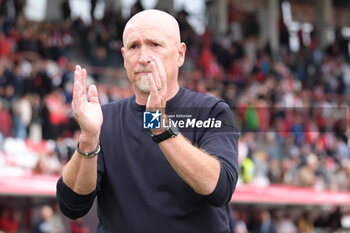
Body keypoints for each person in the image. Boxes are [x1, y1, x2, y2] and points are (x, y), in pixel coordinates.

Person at [56, 9, 239, 233]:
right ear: (124, 58)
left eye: (155, 45)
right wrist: (88, 139)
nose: (143, 58)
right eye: (134, 47)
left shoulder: (211, 112)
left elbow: (219, 189)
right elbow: (72, 205)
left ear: (180, 54)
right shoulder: (104, 119)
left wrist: (160, 128)